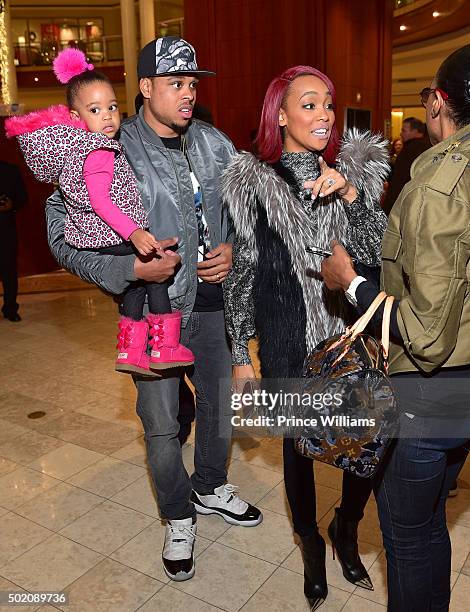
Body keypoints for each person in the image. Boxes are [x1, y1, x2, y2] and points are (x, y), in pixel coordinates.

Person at [44, 36, 262, 582]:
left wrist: (234, 245)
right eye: (175, 84)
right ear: (145, 88)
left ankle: (210, 487)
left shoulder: (215, 143)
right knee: (162, 425)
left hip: (212, 307)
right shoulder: (106, 147)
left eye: (192, 84)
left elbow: (248, 210)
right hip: (150, 313)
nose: (188, 94)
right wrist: (127, 272)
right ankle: (176, 514)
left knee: (218, 407)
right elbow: (61, 236)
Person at [222, 65, 389, 611]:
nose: (323, 115)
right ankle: (311, 547)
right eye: (309, 104)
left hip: (350, 335)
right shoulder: (252, 181)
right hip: (288, 337)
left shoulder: (347, 175)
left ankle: (346, 527)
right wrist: (241, 355)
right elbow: (242, 274)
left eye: (328, 104)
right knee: (299, 450)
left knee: (364, 445)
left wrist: (354, 193)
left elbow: (377, 252)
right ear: (280, 114)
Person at [320, 44, 470, 612]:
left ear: (438, 102)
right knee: (430, 524)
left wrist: (349, 281)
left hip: (431, 390)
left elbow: (427, 332)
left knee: (409, 535)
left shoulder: (438, 185)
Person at [6, 48, 194, 376]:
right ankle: (165, 347)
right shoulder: (98, 150)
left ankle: (131, 351)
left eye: (111, 107)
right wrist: (135, 232)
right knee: (155, 280)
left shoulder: (73, 150)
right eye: (95, 110)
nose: (107, 116)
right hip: (112, 232)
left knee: (133, 289)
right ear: (76, 119)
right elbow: (101, 202)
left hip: (95, 235)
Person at [382, 117, 429, 215]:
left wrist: (388, 207)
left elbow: (399, 180)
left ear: (415, 131)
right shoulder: (429, 147)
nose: (401, 134)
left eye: (404, 130)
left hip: (404, 202)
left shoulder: (410, 150)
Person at [0, 161, 27, 322]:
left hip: (5, 230)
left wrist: (12, 205)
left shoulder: (10, 170)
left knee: (9, 270)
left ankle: (10, 309)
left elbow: (23, 198)